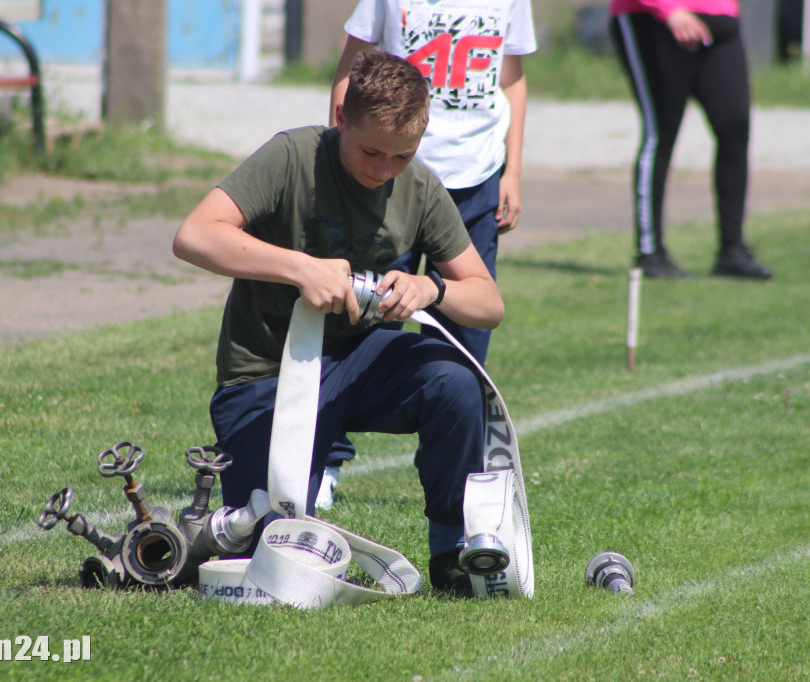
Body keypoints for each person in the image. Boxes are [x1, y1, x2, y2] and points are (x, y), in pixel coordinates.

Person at [172, 50, 504, 595]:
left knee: (454, 379)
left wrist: (432, 288)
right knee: (269, 551)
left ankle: (453, 551)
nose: (383, 170)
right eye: (371, 151)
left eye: (402, 155)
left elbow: (489, 302)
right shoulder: (292, 155)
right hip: (266, 372)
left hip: (361, 366)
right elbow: (195, 234)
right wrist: (300, 269)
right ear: (340, 117)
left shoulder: (418, 185)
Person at [320, 0, 537, 508]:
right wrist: (338, 159)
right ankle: (323, 460)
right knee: (359, 321)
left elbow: (513, 82)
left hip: (474, 180)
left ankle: (460, 484)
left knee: (465, 345)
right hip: (390, 176)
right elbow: (350, 70)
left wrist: (514, 172)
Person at [609, 0, 773, 280]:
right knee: (660, 132)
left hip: (719, 18)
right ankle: (651, 253)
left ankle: (732, 251)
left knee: (734, 128)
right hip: (655, 19)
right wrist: (668, 9)